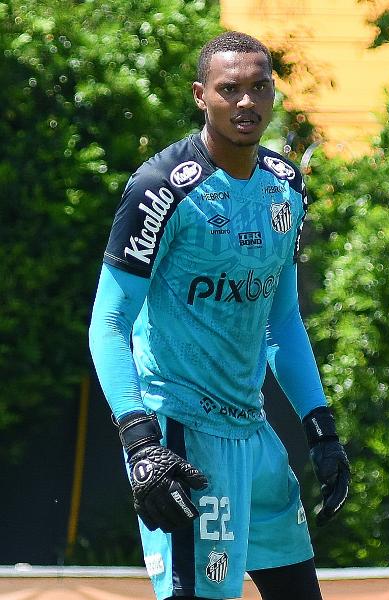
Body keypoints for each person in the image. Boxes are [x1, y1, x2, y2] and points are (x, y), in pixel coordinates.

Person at [89, 31, 350, 600]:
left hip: (254, 436)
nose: (246, 103)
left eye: (259, 87)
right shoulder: (161, 188)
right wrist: (140, 443)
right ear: (200, 95)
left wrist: (320, 426)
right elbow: (108, 321)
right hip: (182, 438)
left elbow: (282, 322)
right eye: (229, 89)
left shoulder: (285, 186)